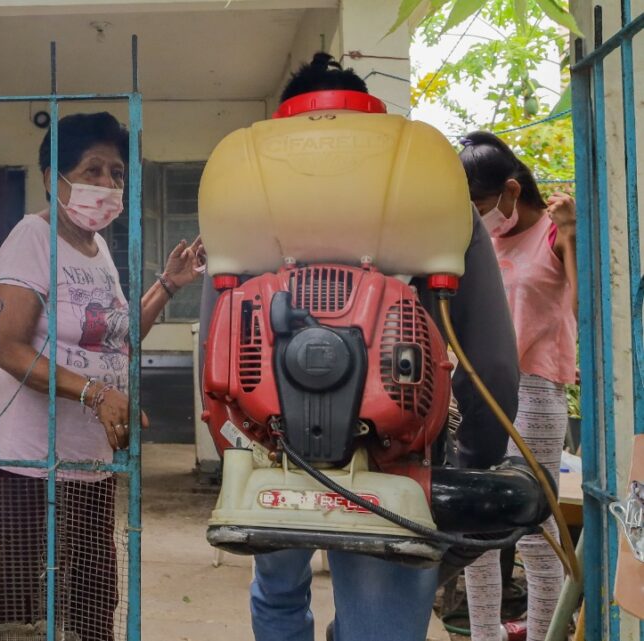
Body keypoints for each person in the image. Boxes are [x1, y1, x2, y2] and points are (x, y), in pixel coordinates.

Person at [194, 53, 521, 641]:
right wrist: (468, 471)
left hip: (268, 448)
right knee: (379, 629)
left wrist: (234, 452)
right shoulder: (433, 190)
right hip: (400, 459)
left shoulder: (240, 190)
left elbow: (215, 345)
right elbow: (491, 361)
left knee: (277, 588)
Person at [0, 112, 203, 641]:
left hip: (90, 457)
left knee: (93, 598)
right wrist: (96, 393)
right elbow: (7, 348)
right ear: (51, 178)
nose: (107, 184)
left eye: (117, 174)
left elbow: (117, 336)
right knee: (30, 606)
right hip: (30, 460)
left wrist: (167, 287)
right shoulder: (31, 238)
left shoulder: (99, 248)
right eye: (92, 170)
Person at [459, 131, 578, 641]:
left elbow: (583, 308)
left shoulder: (553, 234)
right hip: (481, 389)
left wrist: (571, 236)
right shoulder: (480, 240)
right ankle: (484, 633)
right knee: (472, 524)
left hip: (535, 389)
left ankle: (542, 632)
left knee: (533, 529)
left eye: (483, 203)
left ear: (511, 190)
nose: (478, 214)